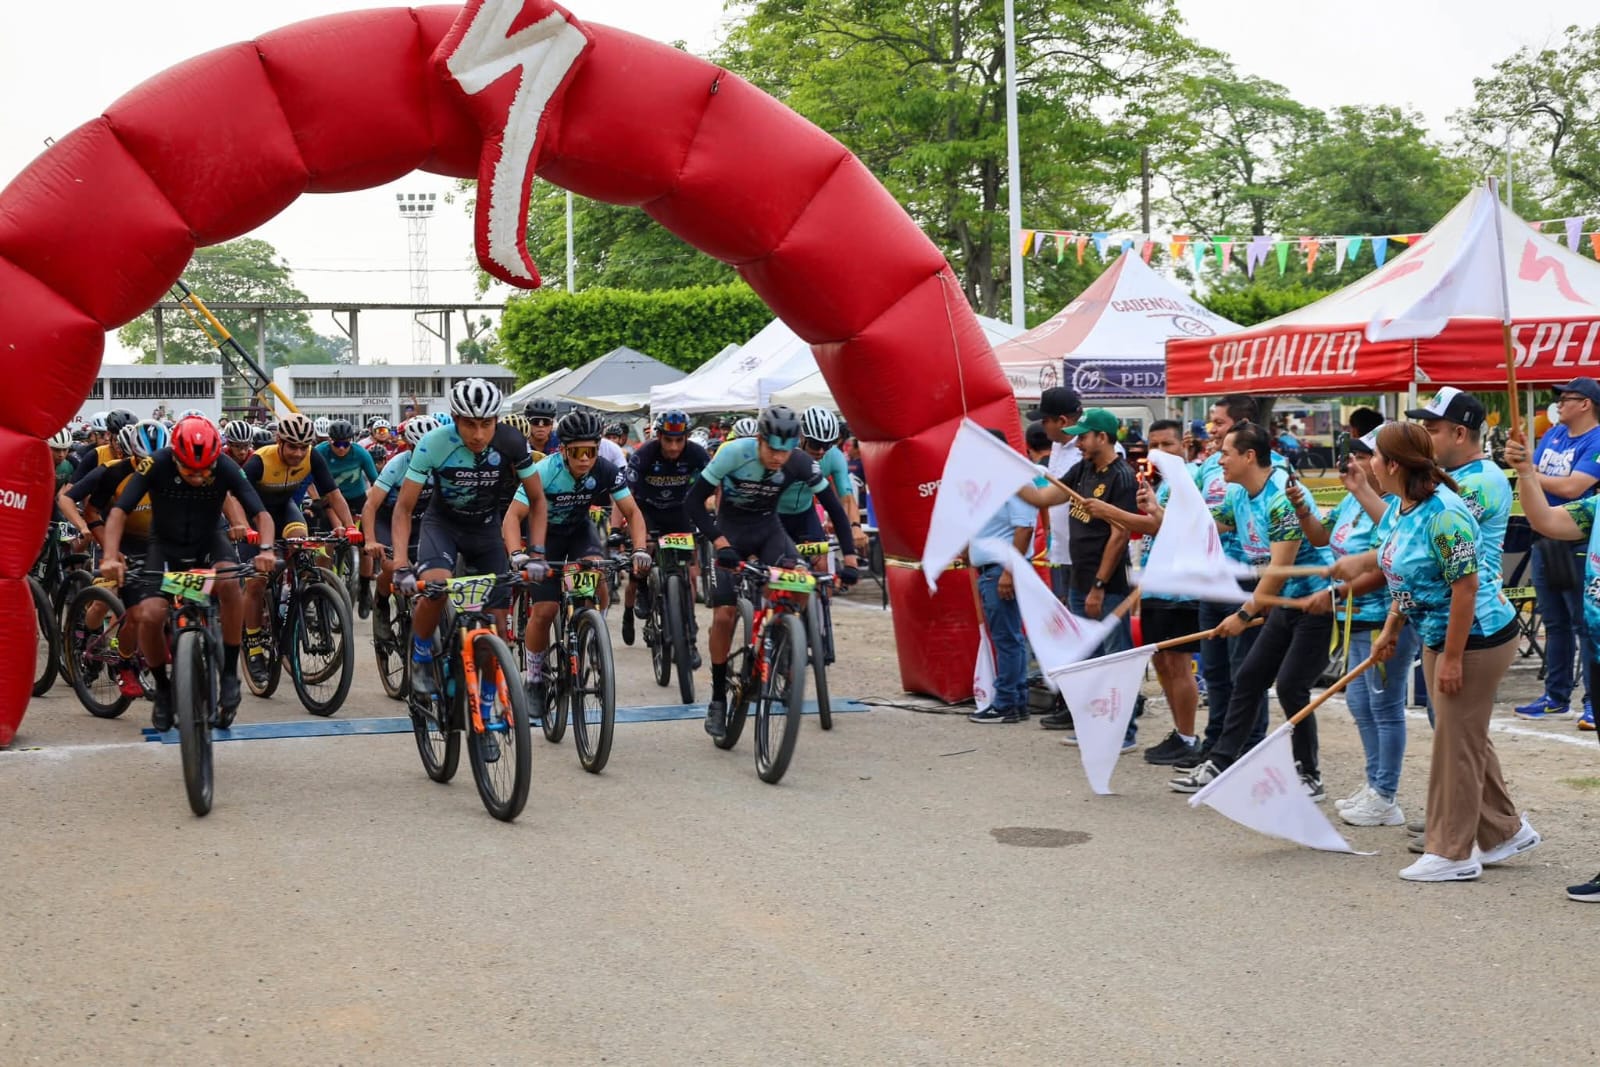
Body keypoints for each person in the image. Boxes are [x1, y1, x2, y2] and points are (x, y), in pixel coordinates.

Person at [1336, 422, 1532, 883]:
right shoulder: (1403, 508)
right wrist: (1389, 630)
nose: (1369, 466)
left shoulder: (1446, 513)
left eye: (1375, 458)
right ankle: (1506, 831)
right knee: (1463, 735)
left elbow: (1465, 587)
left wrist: (1451, 657)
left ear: (1395, 464)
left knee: (1454, 746)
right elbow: (1402, 573)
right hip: (1436, 633)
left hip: (1477, 637)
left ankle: (1452, 852)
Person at [1168, 421, 1334, 798]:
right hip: (1281, 604)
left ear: (1249, 456)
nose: (1217, 459)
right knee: (1249, 678)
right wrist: (1165, 517)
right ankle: (1222, 763)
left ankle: (1310, 774)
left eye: (1225, 452)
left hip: (1312, 602)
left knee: (1292, 686)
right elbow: (1212, 526)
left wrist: (1243, 615)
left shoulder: (1282, 498)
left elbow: (1278, 571)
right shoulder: (1240, 493)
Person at [686, 405, 859, 739]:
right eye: (772, 449)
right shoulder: (733, 453)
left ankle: (781, 639)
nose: (779, 458)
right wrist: (720, 543)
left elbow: (836, 509)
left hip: (769, 530)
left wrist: (850, 560)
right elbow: (693, 503)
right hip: (730, 530)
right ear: (760, 439)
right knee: (724, 615)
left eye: (785, 450)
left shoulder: (799, 461)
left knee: (801, 583)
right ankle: (718, 697)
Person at [98, 417, 276, 730]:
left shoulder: (225, 466)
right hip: (164, 547)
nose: (198, 476)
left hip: (209, 541)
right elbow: (118, 511)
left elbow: (260, 512)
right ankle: (164, 689)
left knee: (231, 583)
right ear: (175, 457)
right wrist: (111, 556)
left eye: (206, 470)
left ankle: (231, 674)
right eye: (189, 470)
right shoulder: (155, 463)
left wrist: (265, 550)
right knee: (151, 614)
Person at [1287, 428, 1419, 825]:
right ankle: (1374, 784)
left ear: (1389, 462)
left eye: (1367, 455)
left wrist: (1335, 593)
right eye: (1358, 455)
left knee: (1385, 705)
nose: (1358, 462)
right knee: (1362, 704)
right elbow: (1323, 538)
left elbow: (1387, 562)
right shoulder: (1353, 500)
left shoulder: (1398, 505)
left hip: (1387, 616)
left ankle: (1386, 793)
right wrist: (1304, 510)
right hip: (1355, 618)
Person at [392, 380, 547, 706]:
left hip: (485, 530)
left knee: (498, 631)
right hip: (442, 526)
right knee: (437, 586)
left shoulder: (512, 442)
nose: (478, 435)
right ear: (455, 418)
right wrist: (401, 566)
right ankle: (420, 655)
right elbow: (404, 508)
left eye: (486, 424)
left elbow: (536, 499)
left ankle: (488, 705)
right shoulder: (433, 443)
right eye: (469, 424)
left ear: (497, 420)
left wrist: (537, 554)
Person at [1176, 394, 1283, 771]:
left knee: (1252, 678)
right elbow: (1208, 522)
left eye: (1219, 426)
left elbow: (1283, 561)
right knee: (1218, 673)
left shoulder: (1279, 484)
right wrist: (1160, 516)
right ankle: (1219, 745)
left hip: (1261, 587)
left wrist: (1250, 607)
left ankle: (1250, 753)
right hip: (1217, 581)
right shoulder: (1225, 480)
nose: (1211, 437)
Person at [1030, 408, 1142, 750]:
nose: (1077, 442)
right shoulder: (1084, 469)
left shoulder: (1122, 477)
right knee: (1087, 658)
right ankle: (1094, 725)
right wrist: (1012, 478)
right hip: (1079, 578)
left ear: (1102, 438)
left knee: (1115, 658)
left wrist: (1098, 585)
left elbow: (1119, 536)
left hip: (1106, 585)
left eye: (1083, 436)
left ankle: (1124, 732)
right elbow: (1045, 497)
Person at [1092, 419, 1203, 762]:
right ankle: (1179, 733)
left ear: (1183, 446)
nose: (1160, 452)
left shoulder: (1193, 480)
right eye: (1154, 445)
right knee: (1161, 662)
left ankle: (1188, 737)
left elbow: (1173, 525)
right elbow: (1155, 527)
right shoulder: (1160, 484)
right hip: (1157, 583)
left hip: (1184, 587)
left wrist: (1114, 514)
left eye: (1168, 445)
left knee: (1178, 662)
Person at [239, 412, 358, 685]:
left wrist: (350, 527)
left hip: (285, 511)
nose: (297, 453)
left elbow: (333, 494)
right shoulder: (260, 460)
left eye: (303, 447)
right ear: (279, 440)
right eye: (292, 446)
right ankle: (255, 645)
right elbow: (234, 494)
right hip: (254, 515)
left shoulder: (312, 457)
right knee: (256, 582)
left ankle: (296, 598)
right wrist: (244, 528)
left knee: (304, 546)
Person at [1510, 377, 1600, 721]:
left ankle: (1593, 700)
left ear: (1586, 404)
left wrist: (1531, 474)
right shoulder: (1555, 435)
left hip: (1578, 542)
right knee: (1555, 623)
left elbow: (1573, 486)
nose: (1558, 402)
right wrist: (1526, 468)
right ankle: (1555, 694)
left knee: (1585, 624)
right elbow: (1534, 473)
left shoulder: (1596, 439)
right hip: (1543, 539)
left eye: (1566, 397)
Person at [968, 429, 1043, 724]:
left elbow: (1024, 528)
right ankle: (1016, 700)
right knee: (1009, 636)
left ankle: (1007, 702)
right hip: (996, 569)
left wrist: (1008, 573)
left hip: (1002, 569)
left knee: (1008, 638)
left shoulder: (1013, 481)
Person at [622, 410, 711, 650]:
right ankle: (637, 597)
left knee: (691, 573)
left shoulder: (696, 454)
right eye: (668, 440)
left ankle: (689, 627)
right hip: (646, 511)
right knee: (646, 550)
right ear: (658, 436)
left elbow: (712, 486)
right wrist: (619, 527)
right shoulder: (644, 455)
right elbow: (625, 496)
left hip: (678, 512)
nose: (673, 447)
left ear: (687, 438)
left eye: (679, 440)